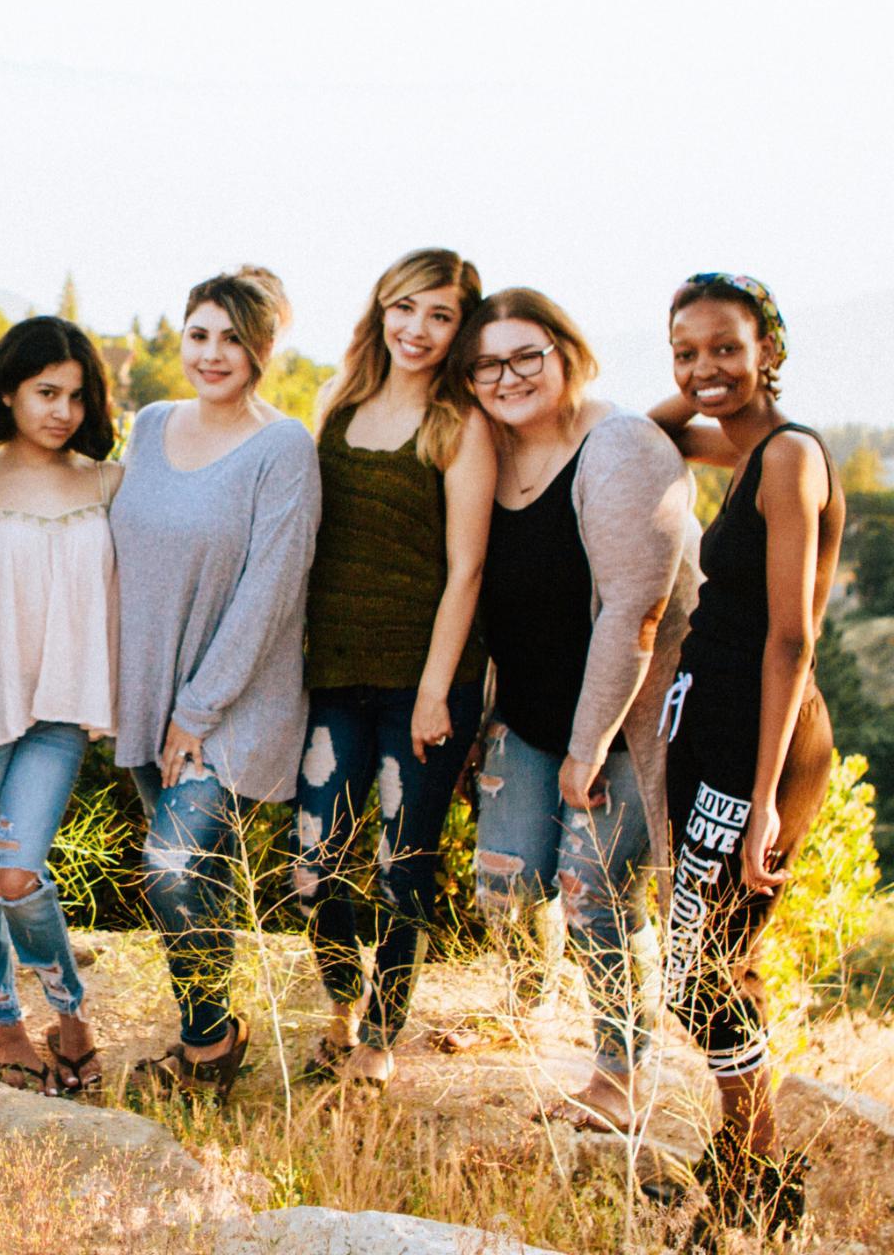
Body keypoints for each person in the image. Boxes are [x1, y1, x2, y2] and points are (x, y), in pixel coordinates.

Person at [456, 288, 697, 1134]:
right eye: (488, 364)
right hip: (524, 714)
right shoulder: (488, 446)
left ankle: (622, 1078)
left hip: (624, 724)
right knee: (506, 881)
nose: (508, 376)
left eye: (528, 355)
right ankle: (532, 1004)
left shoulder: (620, 445)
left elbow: (637, 609)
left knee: (593, 890)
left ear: (566, 350)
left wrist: (587, 747)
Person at [649, 274, 841, 1243]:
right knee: (708, 953)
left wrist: (762, 798)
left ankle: (754, 1168)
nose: (702, 370)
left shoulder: (791, 457)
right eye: (685, 352)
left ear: (771, 344)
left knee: (702, 962)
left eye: (726, 347)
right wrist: (708, 387)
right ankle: (745, 1156)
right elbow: (647, 433)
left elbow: (791, 640)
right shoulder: (744, 443)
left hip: (755, 738)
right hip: (713, 723)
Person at [109, 267, 320, 1098]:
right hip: (147, 698)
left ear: (265, 348)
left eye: (235, 337)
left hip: (232, 704)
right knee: (196, 881)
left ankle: (209, 1041)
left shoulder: (283, 447)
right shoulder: (151, 423)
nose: (213, 353)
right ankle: (209, 1042)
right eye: (200, 333)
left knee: (171, 866)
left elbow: (271, 590)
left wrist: (197, 710)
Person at [292, 249, 494, 1089]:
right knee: (314, 859)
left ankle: (381, 1030)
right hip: (332, 670)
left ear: (461, 327)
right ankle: (341, 999)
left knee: (400, 859)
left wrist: (437, 692)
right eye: (404, 308)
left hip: (423, 678)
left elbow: (466, 572)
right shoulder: (337, 405)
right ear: (380, 310)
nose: (417, 329)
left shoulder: (462, 425)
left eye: (440, 315)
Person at [0, 316, 118, 1095]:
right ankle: (5, 1029)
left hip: (61, 708)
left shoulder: (110, 483)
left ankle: (70, 1015)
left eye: (76, 396)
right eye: (46, 393)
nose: (62, 411)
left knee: (14, 871)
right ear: (9, 391)